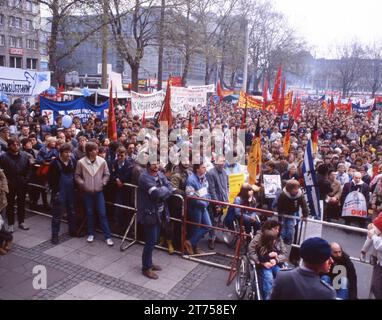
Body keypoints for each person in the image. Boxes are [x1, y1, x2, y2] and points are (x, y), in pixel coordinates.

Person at [137, 161, 174, 280]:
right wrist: (165, 190)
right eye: (153, 164)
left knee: (155, 239)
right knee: (150, 241)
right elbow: (156, 194)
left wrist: (164, 190)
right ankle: (146, 267)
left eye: (157, 163)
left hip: (160, 213)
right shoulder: (144, 177)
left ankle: (149, 262)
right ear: (148, 165)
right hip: (149, 214)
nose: (156, 166)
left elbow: (170, 186)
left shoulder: (160, 174)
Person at [270, 237, 336, 300]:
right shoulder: (327, 293)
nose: (332, 261)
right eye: (328, 258)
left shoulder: (283, 276)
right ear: (320, 261)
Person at [75, 142, 114, 246]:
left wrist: (103, 183)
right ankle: (90, 233)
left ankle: (108, 236)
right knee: (89, 213)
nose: (97, 151)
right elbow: (77, 175)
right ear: (89, 151)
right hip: (87, 192)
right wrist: (82, 184)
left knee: (102, 213)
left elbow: (107, 174)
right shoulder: (81, 162)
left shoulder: (102, 161)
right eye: (95, 149)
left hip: (99, 191)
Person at [0, 137, 31, 232]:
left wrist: (26, 179)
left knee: (22, 203)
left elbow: (29, 169)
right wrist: (6, 182)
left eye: (18, 144)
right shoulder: (3, 157)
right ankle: (10, 224)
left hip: (22, 183)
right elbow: (1, 171)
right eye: (14, 145)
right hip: (10, 183)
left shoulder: (25, 156)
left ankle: (21, 221)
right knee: (10, 205)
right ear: (9, 146)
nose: (16, 147)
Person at [48, 143, 77, 244]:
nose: (68, 154)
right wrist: (55, 192)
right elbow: (51, 180)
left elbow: (75, 176)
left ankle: (72, 230)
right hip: (59, 192)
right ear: (61, 153)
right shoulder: (54, 163)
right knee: (57, 214)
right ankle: (54, 235)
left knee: (72, 211)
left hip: (71, 191)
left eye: (70, 152)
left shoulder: (73, 161)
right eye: (66, 152)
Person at [184, 163, 212, 255]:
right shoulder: (191, 180)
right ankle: (194, 247)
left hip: (203, 206)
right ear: (197, 169)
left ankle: (190, 242)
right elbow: (190, 196)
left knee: (208, 226)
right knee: (195, 228)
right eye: (203, 167)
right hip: (195, 208)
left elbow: (206, 191)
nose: (205, 169)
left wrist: (207, 200)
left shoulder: (204, 178)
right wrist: (204, 203)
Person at [206, 155, 229, 249]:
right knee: (213, 220)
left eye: (223, 161)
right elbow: (212, 190)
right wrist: (216, 203)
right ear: (215, 162)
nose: (222, 163)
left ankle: (214, 236)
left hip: (223, 200)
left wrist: (226, 198)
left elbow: (227, 186)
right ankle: (211, 239)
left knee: (218, 219)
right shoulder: (210, 173)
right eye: (220, 161)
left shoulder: (224, 172)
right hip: (215, 201)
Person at [276, 180, 308, 245]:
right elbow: (279, 205)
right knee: (283, 230)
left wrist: (305, 215)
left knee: (290, 230)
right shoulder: (283, 194)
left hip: (292, 213)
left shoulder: (300, 195)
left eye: (297, 188)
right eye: (295, 189)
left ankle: (289, 243)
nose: (297, 190)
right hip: (284, 213)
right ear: (289, 190)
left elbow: (304, 206)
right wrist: (280, 217)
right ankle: (281, 244)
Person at [255, 230, 283, 300]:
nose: (275, 241)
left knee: (282, 274)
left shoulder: (273, 246)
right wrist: (269, 256)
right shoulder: (260, 248)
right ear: (269, 241)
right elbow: (259, 259)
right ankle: (267, 296)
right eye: (273, 240)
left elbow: (279, 255)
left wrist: (276, 260)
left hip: (274, 265)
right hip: (265, 267)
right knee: (269, 278)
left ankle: (280, 292)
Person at [361, 213, 382, 299]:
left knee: (376, 286)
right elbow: (370, 237)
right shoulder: (378, 224)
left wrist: (373, 236)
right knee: (375, 286)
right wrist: (363, 251)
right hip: (380, 262)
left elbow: (380, 245)